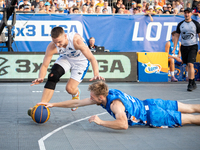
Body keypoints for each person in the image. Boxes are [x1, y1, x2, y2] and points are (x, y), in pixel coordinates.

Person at [38, 81, 200, 130]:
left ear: (100, 97)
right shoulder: (107, 92)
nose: (90, 98)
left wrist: (100, 122)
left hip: (154, 115)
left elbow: (123, 124)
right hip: (151, 103)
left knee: (191, 119)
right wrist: (53, 104)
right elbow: (77, 102)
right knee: (191, 107)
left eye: (92, 97)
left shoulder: (115, 104)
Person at [31, 27, 104, 113]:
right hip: (66, 58)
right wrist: (41, 77)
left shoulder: (76, 41)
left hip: (81, 62)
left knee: (69, 89)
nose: (57, 45)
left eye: (59, 42)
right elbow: (44, 65)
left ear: (65, 36)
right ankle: (42, 106)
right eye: (55, 42)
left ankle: (76, 92)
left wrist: (96, 73)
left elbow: (92, 58)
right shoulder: (52, 46)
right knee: (53, 76)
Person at [173, 8, 200, 91]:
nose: (186, 14)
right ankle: (193, 82)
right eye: (185, 13)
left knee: (190, 64)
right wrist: (175, 47)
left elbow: (199, 35)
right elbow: (177, 35)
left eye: (188, 13)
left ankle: (190, 83)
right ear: (184, 14)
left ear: (191, 14)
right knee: (187, 65)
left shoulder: (195, 24)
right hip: (184, 47)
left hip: (193, 46)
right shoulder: (181, 24)